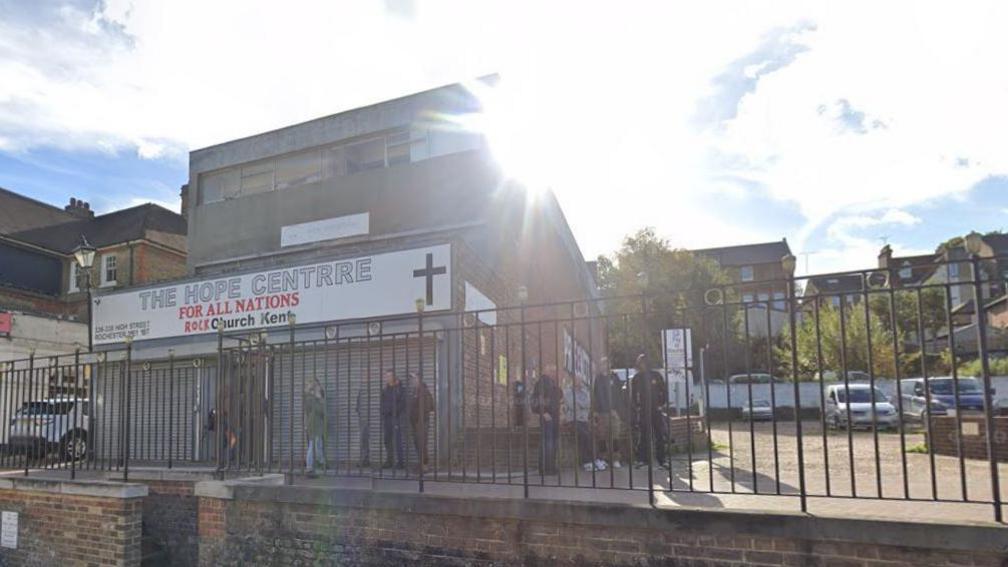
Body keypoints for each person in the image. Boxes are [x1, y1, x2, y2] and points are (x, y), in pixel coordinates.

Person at [563, 371, 605, 472]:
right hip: (573, 420)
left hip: (584, 419)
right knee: (584, 434)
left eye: (580, 379)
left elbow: (587, 404)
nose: (578, 381)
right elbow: (571, 404)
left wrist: (580, 404)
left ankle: (596, 459)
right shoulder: (567, 391)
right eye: (576, 379)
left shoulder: (585, 391)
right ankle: (586, 461)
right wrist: (581, 405)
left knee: (593, 434)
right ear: (572, 380)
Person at [631, 354, 668, 468]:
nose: (642, 364)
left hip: (656, 409)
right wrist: (637, 406)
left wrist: (661, 404)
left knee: (659, 435)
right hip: (643, 410)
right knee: (643, 435)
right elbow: (633, 395)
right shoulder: (636, 377)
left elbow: (664, 391)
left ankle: (662, 460)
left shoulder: (656, 375)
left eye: (644, 362)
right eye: (640, 362)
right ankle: (643, 459)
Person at [592, 357, 626, 469]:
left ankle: (616, 459)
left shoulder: (614, 377)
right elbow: (596, 396)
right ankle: (603, 458)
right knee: (602, 436)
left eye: (606, 364)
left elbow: (620, 395)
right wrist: (596, 411)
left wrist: (617, 410)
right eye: (602, 364)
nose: (604, 366)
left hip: (614, 412)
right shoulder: (598, 379)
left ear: (609, 364)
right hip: (602, 412)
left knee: (615, 435)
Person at [530, 364, 562, 475]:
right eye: (551, 370)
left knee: (552, 443)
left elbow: (559, 397)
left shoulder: (552, 383)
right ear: (545, 371)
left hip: (554, 417)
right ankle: (546, 469)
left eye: (555, 371)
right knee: (547, 443)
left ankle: (550, 467)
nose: (554, 372)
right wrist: (543, 412)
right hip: (548, 417)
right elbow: (537, 399)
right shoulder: (542, 382)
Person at [407, 372, 434, 471]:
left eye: (415, 379)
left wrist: (419, 418)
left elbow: (429, 407)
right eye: (412, 379)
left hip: (421, 422)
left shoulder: (424, 391)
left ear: (419, 379)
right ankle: (421, 463)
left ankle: (425, 466)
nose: (413, 381)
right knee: (418, 444)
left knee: (422, 444)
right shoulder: (416, 391)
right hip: (416, 423)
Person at [380, 370, 405, 469]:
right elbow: (382, 403)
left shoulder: (399, 389)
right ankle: (389, 461)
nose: (388, 378)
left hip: (396, 418)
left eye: (389, 376)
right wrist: (383, 411)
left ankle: (400, 462)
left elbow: (402, 403)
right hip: (386, 418)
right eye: (386, 376)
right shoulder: (385, 389)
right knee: (387, 440)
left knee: (397, 440)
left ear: (394, 377)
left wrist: (394, 411)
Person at [304, 377, 326, 477]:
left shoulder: (309, 397)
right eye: (318, 385)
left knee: (318, 444)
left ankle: (321, 462)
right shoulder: (311, 398)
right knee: (313, 445)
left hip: (316, 424)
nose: (320, 387)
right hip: (314, 425)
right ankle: (309, 467)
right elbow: (321, 411)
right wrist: (319, 398)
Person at [355, 385, 370, 468]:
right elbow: (357, 407)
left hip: (366, 418)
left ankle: (364, 459)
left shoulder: (366, 390)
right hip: (362, 418)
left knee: (363, 439)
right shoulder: (361, 390)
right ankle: (365, 459)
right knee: (363, 440)